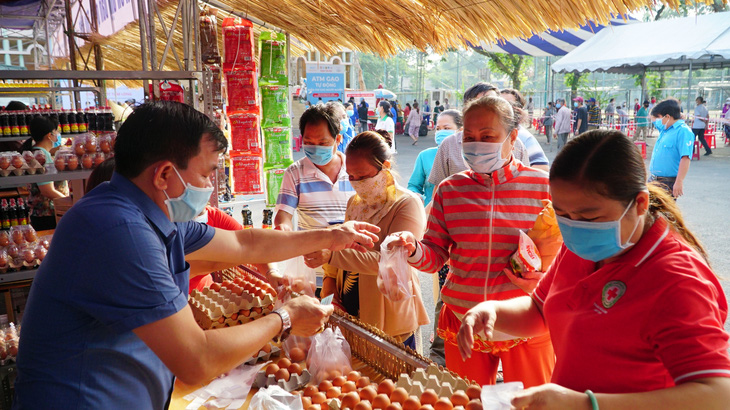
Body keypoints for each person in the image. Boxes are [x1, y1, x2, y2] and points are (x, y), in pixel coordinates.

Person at [13, 101, 380, 409]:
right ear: (164, 175)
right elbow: (197, 359)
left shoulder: (147, 215)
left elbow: (245, 244)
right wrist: (285, 318)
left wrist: (331, 236)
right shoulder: (121, 231)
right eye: (206, 174)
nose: (209, 187)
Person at [456, 130, 730, 410]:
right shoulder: (582, 247)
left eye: (590, 217)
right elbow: (541, 310)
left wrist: (587, 404)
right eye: (561, 214)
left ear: (640, 204)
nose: (575, 227)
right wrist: (491, 312)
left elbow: (717, 395)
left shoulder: (676, 281)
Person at [391, 96, 555, 388]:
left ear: (512, 136)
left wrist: (544, 279)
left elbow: (564, 256)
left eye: (487, 136)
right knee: (469, 402)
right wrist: (414, 249)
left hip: (526, 319)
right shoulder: (449, 190)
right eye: (469, 137)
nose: (476, 144)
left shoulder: (544, 188)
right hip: (462, 319)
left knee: (533, 403)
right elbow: (436, 255)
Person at [306, 131, 429, 349]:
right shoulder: (355, 202)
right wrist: (330, 289)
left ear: (385, 167)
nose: (356, 183)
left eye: (362, 176)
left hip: (389, 317)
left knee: (395, 378)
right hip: (349, 310)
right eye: (351, 176)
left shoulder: (406, 204)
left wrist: (332, 254)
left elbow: (389, 263)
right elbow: (339, 249)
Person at [428, 82, 532, 188]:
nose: (486, 109)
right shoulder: (449, 145)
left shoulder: (516, 144)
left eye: (493, 102)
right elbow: (439, 189)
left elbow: (525, 184)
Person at [275, 104, 355, 232]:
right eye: (308, 143)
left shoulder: (355, 170)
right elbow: (283, 214)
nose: (316, 148)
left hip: (350, 250)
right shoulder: (294, 173)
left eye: (323, 143)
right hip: (312, 250)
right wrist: (284, 227)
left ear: (338, 139)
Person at [21, 116, 68, 231]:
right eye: (56, 131)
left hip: (40, 214)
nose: (57, 134)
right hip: (48, 215)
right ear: (49, 135)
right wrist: (70, 202)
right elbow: (47, 190)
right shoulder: (42, 155)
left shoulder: (34, 152)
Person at [408, 109, 462, 206]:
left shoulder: (470, 158)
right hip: (431, 213)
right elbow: (413, 186)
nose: (441, 132)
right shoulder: (425, 156)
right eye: (438, 129)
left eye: (446, 128)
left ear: (460, 130)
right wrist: (417, 195)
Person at [649, 98, 694, 199]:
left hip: (667, 182)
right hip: (653, 179)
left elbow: (685, 158)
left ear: (668, 116)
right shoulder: (665, 127)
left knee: (662, 213)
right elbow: (652, 116)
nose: (658, 120)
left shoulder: (683, 131)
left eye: (659, 117)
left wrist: (679, 181)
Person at [499, 89, 550, 173]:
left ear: (518, 110)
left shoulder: (523, 137)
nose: (501, 108)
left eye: (508, 104)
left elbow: (542, 168)